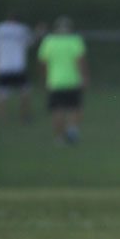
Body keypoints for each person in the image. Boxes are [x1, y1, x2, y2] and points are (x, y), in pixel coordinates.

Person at [37, 16, 88, 145]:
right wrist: (84, 77)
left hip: (55, 81)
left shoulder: (49, 41)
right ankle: (72, 132)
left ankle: (59, 138)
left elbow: (43, 62)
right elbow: (80, 61)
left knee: (57, 110)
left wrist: (45, 78)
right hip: (73, 80)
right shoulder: (75, 40)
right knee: (75, 108)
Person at [0, 12, 40, 123]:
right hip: (18, 66)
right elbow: (31, 42)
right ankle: (24, 116)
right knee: (24, 91)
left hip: (3, 65)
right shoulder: (22, 29)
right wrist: (38, 32)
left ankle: (2, 117)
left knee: (2, 93)